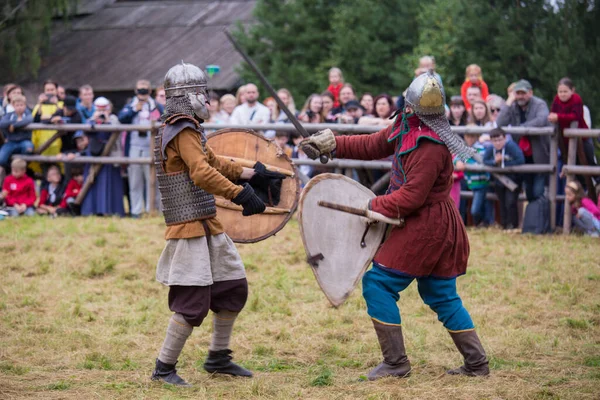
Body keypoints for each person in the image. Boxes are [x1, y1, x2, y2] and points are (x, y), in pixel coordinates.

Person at [300, 72, 489, 380]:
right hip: (427, 221)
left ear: (412, 105)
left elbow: (413, 196)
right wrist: (332, 144)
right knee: (440, 293)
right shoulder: (407, 125)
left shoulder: (430, 145)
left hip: (426, 224)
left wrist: (373, 206)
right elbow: (373, 144)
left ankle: (396, 363)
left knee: (379, 284)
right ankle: (477, 363)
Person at [150, 62, 284, 386]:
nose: (207, 101)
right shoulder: (180, 129)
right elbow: (200, 172)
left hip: (207, 223)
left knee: (232, 288)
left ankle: (218, 358)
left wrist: (253, 171)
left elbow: (214, 161)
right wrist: (240, 195)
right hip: (189, 229)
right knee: (192, 300)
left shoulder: (190, 128)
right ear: (187, 96)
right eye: (202, 94)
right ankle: (164, 368)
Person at [496, 79, 550, 202]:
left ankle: (540, 218)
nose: (520, 96)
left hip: (539, 153)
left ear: (530, 92)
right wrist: (508, 103)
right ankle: (533, 217)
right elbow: (499, 123)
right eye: (517, 93)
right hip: (521, 156)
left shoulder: (539, 104)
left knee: (539, 191)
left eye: (523, 93)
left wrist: (521, 128)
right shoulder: (513, 106)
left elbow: (542, 120)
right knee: (529, 192)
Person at [118, 79, 163, 217]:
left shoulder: (156, 106)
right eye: (140, 90)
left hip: (151, 147)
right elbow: (122, 118)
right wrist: (134, 110)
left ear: (150, 91)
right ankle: (136, 211)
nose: (142, 93)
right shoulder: (130, 105)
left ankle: (151, 209)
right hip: (134, 147)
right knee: (135, 181)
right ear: (136, 91)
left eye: (145, 90)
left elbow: (164, 119)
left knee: (151, 180)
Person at [81, 97, 125, 217]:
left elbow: (116, 131)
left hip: (110, 156)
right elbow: (85, 131)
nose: (101, 112)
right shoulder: (91, 119)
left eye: (103, 110)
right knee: (93, 182)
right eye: (99, 110)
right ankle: (91, 210)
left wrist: (107, 121)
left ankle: (110, 210)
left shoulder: (114, 119)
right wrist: (94, 121)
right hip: (94, 154)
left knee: (109, 183)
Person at [483, 128, 525, 230]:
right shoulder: (490, 149)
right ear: (491, 141)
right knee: (502, 202)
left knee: (510, 202)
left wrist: (504, 164)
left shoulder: (511, 146)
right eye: (495, 140)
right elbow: (485, 160)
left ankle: (512, 226)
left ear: (505, 138)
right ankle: (504, 225)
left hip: (513, 180)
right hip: (499, 180)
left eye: (500, 139)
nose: (498, 143)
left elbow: (521, 160)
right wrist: (494, 162)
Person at [454, 133, 493, 227]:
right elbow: (456, 158)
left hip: (481, 181)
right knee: (482, 204)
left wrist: (468, 166)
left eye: (472, 136)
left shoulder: (481, 148)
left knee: (476, 209)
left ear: (476, 137)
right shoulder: (464, 149)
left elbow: (485, 162)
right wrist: (457, 162)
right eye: (468, 136)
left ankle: (479, 224)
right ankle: (482, 224)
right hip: (471, 182)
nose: (470, 139)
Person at [0, 94, 34, 186]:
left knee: (29, 148)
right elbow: (2, 123)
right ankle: (11, 168)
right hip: (11, 141)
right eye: (17, 105)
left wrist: (14, 126)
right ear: (13, 106)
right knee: (1, 159)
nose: (19, 107)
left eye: (21, 105)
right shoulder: (10, 115)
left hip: (24, 141)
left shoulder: (27, 114)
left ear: (25, 105)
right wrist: (12, 123)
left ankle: (22, 169)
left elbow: (29, 120)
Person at [31, 80, 63, 175]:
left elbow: (62, 116)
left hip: (57, 144)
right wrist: (40, 104)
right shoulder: (38, 105)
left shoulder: (61, 104)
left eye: (52, 89)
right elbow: (35, 119)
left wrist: (56, 104)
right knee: (44, 173)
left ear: (56, 91)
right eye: (47, 90)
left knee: (58, 172)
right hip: (41, 144)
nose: (49, 92)